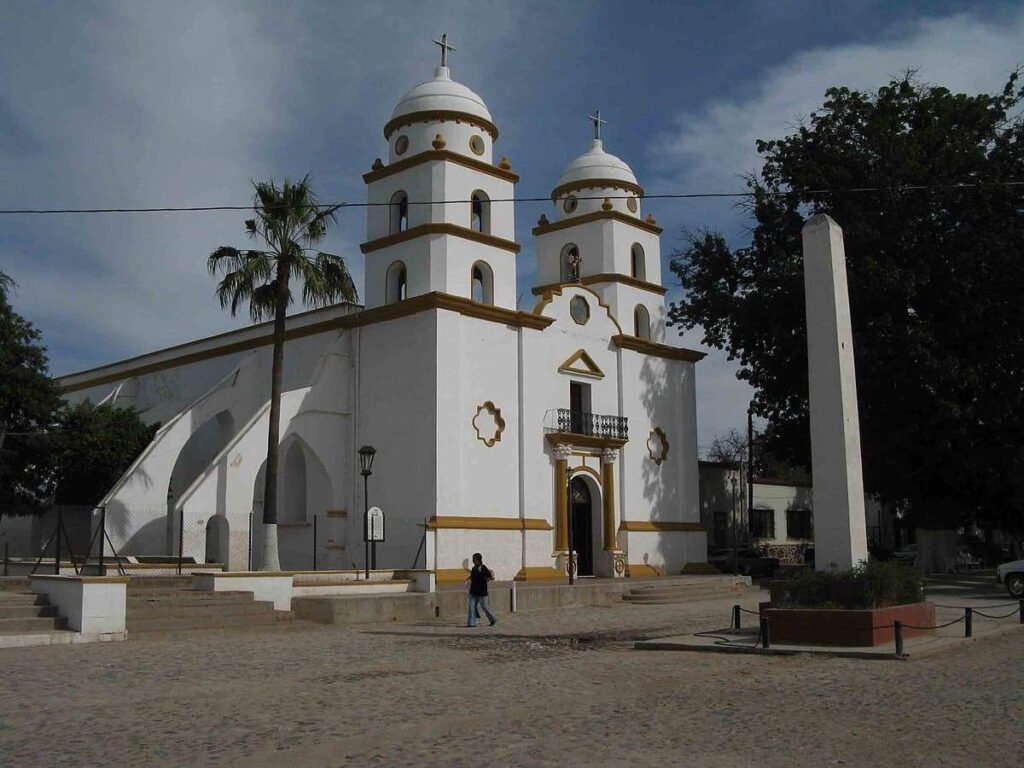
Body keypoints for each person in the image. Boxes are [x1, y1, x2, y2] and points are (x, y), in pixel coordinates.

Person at [465, 553, 497, 627]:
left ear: (478, 560)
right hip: (473, 591)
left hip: (482, 592)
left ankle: (493, 619)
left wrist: (487, 578)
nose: (473, 561)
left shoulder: (483, 568)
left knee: (485, 607)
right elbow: (472, 577)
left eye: (474, 559)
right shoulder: (474, 568)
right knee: (471, 606)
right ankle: (471, 623)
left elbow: (490, 577)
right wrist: (467, 579)